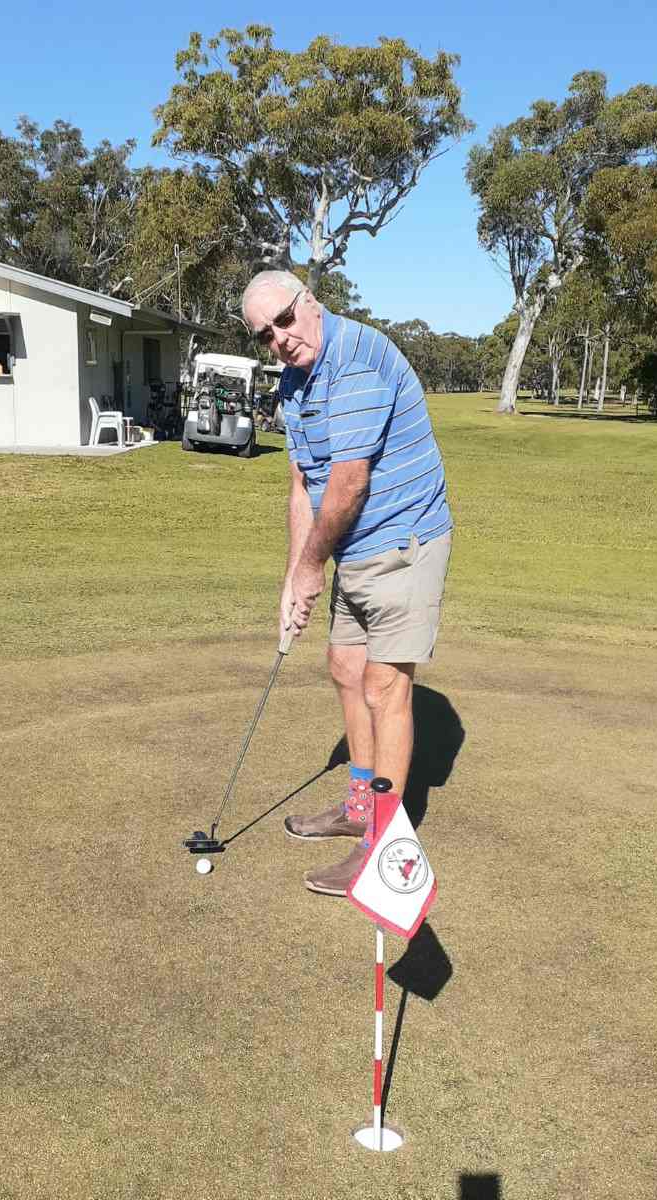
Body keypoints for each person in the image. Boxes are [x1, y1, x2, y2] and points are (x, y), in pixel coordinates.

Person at [240, 270, 453, 897]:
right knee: (344, 667)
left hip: (404, 541)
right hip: (355, 546)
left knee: (386, 686)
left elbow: (349, 483)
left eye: (284, 318)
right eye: (264, 334)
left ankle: (381, 844)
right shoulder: (294, 381)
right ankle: (360, 804)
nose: (279, 338)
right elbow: (305, 483)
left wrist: (312, 568)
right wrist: (293, 575)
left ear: (310, 303)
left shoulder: (356, 362)